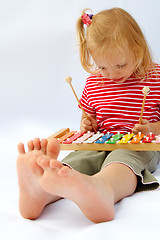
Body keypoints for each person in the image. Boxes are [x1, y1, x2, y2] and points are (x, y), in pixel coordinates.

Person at [17, 7, 160, 223]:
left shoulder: (155, 77)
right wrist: (87, 125)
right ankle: (41, 191)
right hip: (100, 141)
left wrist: (151, 129)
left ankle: (104, 189)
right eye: (102, 67)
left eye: (120, 65)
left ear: (138, 49)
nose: (112, 74)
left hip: (138, 144)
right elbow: (88, 121)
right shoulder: (94, 82)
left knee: (121, 163)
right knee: (75, 162)